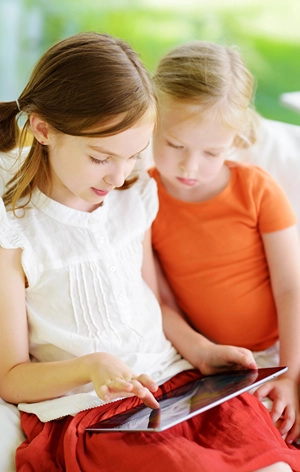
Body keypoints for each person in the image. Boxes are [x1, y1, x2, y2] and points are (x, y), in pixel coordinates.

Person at [0, 32, 299, 472]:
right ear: (42, 130)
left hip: (179, 387)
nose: (119, 175)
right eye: (102, 157)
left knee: (271, 462)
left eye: (134, 155)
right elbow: (12, 379)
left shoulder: (134, 195)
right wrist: (91, 367)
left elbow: (156, 301)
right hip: (97, 410)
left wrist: (201, 351)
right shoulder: (15, 231)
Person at [149, 39, 300, 448]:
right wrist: (201, 353)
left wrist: (290, 374)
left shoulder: (256, 189)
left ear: (235, 141)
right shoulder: (144, 197)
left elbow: (292, 288)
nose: (189, 167)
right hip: (210, 362)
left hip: (286, 349)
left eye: (211, 152)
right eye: (175, 145)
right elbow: (158, 302)